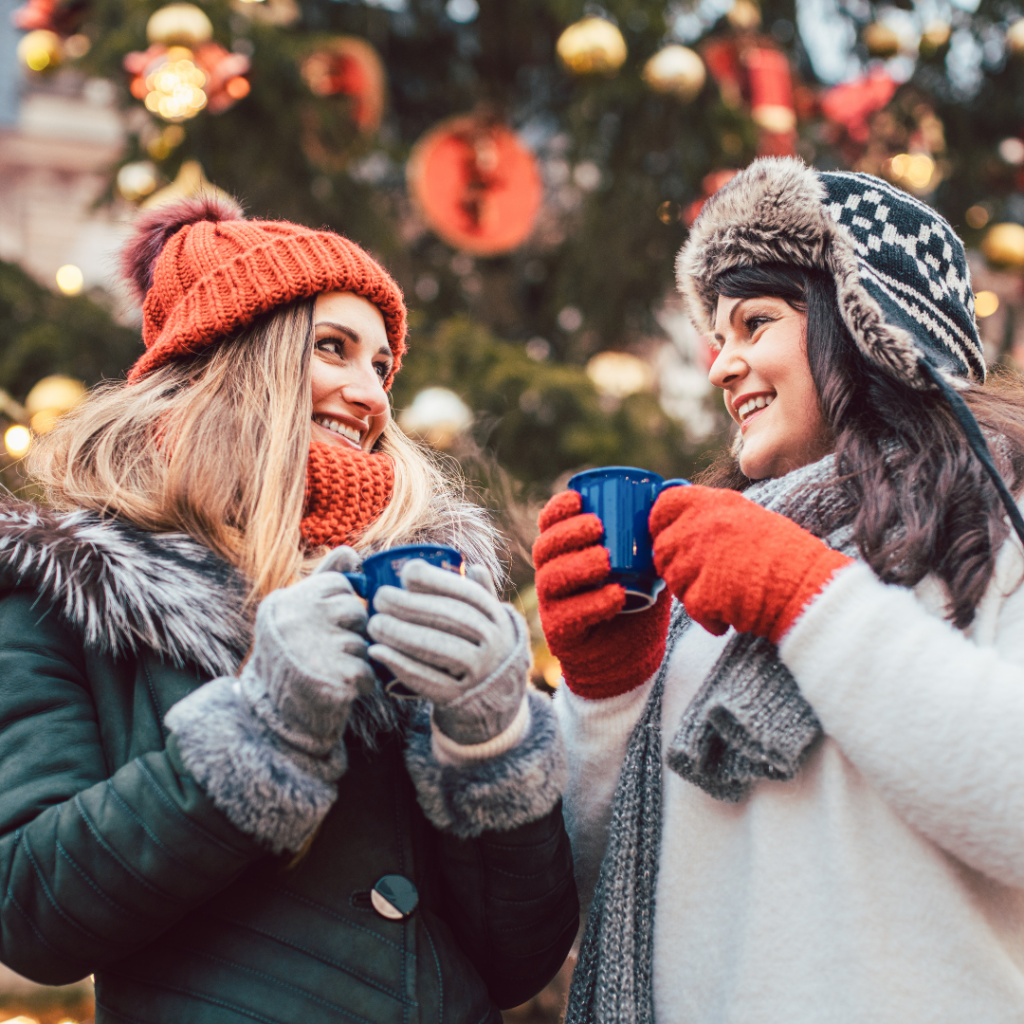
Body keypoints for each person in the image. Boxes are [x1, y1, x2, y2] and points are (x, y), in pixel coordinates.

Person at [0, 195, 577, 1024]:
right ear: (233, 360)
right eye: (332, 348)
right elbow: (30, 914)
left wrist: (491, 739)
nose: (369, 393)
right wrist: (260, 728)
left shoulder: (429, 589)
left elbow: (518, 958)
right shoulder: (76, 592)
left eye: (382, 366)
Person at [534, 156, 1024, 1023]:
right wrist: (606, 695)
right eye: (716, 337)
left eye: (754, 323)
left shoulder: (999, 520)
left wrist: (809, 601)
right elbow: (612, 889)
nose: (724, 366)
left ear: (869, 327)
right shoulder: (709, 580)